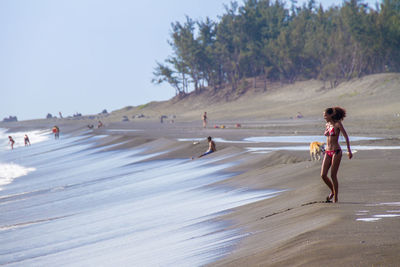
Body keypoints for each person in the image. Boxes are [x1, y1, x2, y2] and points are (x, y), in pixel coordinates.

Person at [321, 107, 352, 203]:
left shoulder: (338, 124)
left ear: (331, 115)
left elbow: (346, 137)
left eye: (326, 115)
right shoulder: (327, 125)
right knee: (323, 175)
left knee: (333, 175)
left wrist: (349, 151)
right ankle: (332, 191)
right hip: (327, 151)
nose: (324, 117)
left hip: (336, 151)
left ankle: (335, 198)